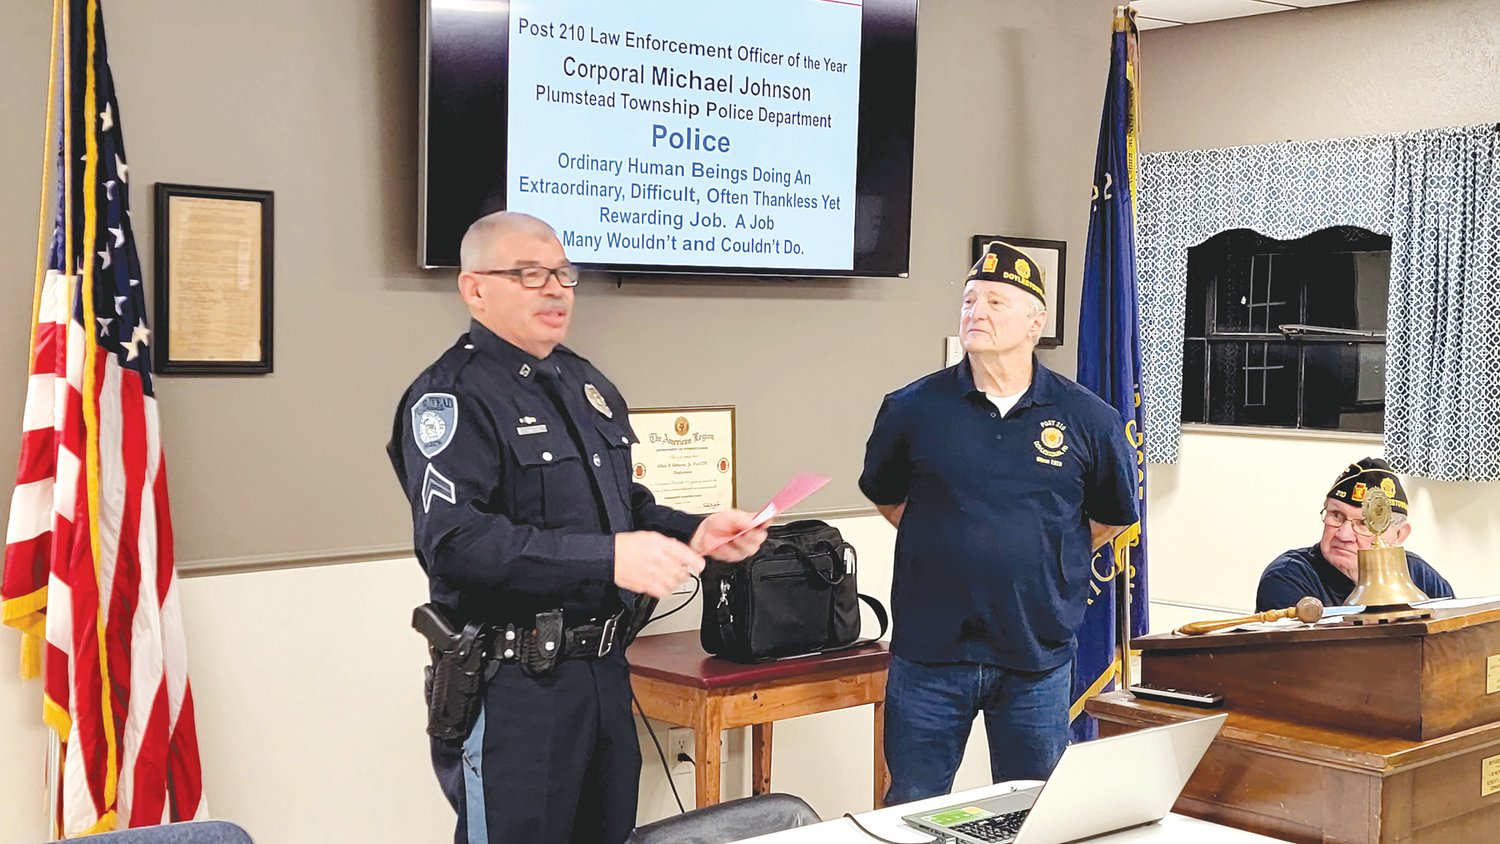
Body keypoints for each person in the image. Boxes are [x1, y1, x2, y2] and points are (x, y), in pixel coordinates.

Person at [387, 211, 766, 844]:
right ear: (474, 288)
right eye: (529, 274)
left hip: (605, 672)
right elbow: (455, 544)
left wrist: (695, 530)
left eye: (564, 273)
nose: (556, 289)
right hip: (515, 686)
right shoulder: (452, 397)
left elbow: (624, 505)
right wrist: (608, 558)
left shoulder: (586, 382)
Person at [859, 240, 1139, 804]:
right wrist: (952, 539)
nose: (975, 313)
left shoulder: (1088, 418)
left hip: (1034, 657)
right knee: (911, 805)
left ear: (1037, 321)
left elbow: (1109, 517)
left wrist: (1044, 553)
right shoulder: (911, 409)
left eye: (994, 301)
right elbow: (888, 498)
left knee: (1033, 812)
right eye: (968, 301)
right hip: (930, 658)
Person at [1256, 457, 1452, 612]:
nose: (1344, 534)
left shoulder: (1419, 576)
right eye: (1336, 515)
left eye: (1365, 524)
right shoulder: (1288, 577)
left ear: (1399, 534)